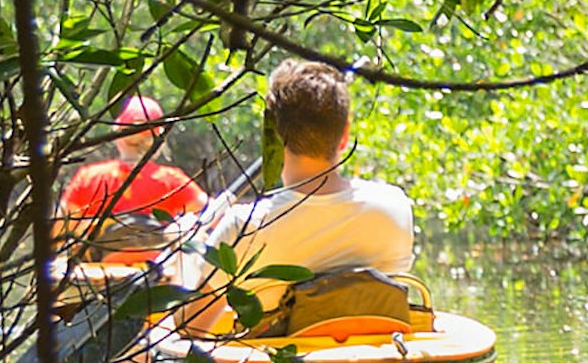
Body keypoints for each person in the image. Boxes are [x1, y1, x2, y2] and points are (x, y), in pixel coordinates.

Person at [175, 59, 414, 327]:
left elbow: (190, 325)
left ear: (271, 136)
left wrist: (190, 254)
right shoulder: (395, 206)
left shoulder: (243, 227)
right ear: (344, 135)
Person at [55, 94, 207, 247]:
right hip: (159, 267)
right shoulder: (172, 180)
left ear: (117, 134)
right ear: (157, 139)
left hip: (91, 269)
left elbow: (57, 230)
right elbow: (209, 213)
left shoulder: (88, 177)